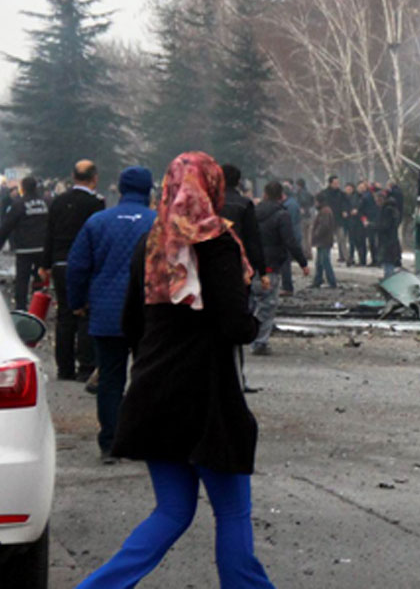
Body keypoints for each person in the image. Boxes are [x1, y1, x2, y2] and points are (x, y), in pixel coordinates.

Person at [77, 152, 274, 588]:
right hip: (206, 398)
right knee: (232, 512)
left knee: (171, 512)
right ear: (213, 188)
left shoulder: (151, 244)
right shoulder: (217, 243)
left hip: (153, 394)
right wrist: (252, 320)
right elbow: (233, 324)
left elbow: (132, 323)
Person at [65, 167, 156, 464]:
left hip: (107, 312)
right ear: (149, 191)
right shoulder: (159, 223)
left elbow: (78, 266)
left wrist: (77, 302)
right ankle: (143, 439)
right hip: (149, 313)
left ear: (118, 188)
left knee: (110, 378)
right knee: (147, 376)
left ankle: (110, 442)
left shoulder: (98, 222)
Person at [40, 159, 105, 381]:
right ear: (94, 178)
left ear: (73, 176)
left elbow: (49, 233)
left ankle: (64, 368)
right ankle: (86, 366)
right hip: (85, 264)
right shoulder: (95, 204)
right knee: (85, 313)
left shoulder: (58, 202)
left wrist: (44, 264)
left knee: (65, 316)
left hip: (59, 263)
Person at [250, 181, 309, 356]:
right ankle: (259, 341)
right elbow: (290, 241)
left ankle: (247, 335)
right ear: (281, 196)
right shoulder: (281, 215)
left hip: (250, 263)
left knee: (252, 301)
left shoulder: (252, 212)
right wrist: (302, 262)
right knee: (267, 304)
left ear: (265, 194)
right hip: (271, 264)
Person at [0, 176, 49, 312]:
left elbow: (6, 226)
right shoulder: (46, 203)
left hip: (25, 249)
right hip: (42, 248)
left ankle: (21, 309)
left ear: (23, 188)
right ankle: (38, 307)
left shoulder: (19, 204)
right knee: (40, 277)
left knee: (22, 279)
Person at [219, 164, 266, 279]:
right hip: (239, 259)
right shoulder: (244, 204)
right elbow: (253, 237)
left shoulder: (207, 203)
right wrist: (261, 269)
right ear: (238, 182)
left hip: (213, 259)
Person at [280, 183, 302, 296]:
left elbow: (290, 223)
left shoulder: (289, 205)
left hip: (290, 236)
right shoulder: (291, 203)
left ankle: (287, 287)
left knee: (285, 263)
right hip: (291, 236)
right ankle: (286, 285)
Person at [310, 201, 338, 288]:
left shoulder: (325, 212)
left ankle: (332, 281)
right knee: (319, 262)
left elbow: (324, 226)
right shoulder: (325, 211)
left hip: (324, 240)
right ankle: (318, 280)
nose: (315, 204)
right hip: (324, 240)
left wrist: (316, 234)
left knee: (325, 261)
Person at [319, 175, 346, 262]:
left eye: (338, 183)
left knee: (341, 238)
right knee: (327, 240)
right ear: (330, 183)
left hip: (339, 219)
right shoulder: (324, 193)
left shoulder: (341, 194)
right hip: (328, 220)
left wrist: (344, 210)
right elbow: (319, 205)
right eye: (335, 183)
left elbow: (345, 204)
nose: (337, 184)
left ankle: (345, 256)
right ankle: (326, 256)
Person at [376, 188, 403, 278]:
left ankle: (389, 281)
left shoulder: (387, 210)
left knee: (388, 263)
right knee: (389, 263)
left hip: (387, 241)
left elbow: (385, 226)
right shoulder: (393, 208)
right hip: (392, 240)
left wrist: (373, 226)